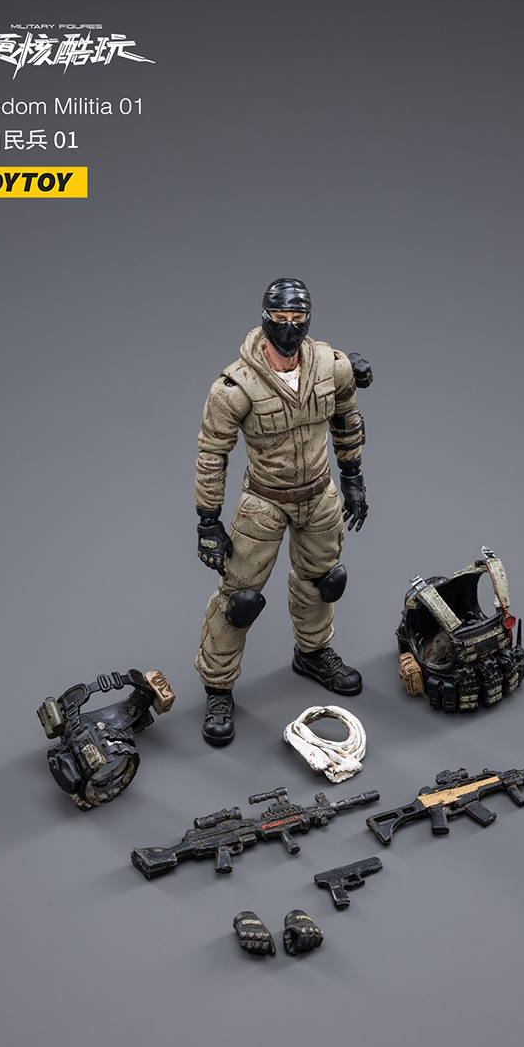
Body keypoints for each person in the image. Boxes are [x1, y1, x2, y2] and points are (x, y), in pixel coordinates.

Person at [194, 277, 368, 746]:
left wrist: (352, 476)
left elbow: (347, 417)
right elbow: (212, 454)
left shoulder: (331, 367)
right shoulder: (235, 386)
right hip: (264, 501)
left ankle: (312, 653)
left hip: (319, 494)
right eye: (280, 318)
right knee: (238, 600)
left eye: (298, 319)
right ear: (265, 318)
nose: (289, 328)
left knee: (323, 580)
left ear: (308, 319)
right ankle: (218, 688)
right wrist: (208, 521)